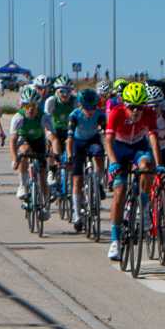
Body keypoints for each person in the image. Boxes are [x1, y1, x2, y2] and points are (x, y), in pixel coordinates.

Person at [104, 81, 163, 261]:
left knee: (146, 167)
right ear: (125, 104)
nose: (136, 111)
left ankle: (144, 203)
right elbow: (108, 141)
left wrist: (158, 164)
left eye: (140, 107)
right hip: (120, 148)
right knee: (119, 191)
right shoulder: (116, 113)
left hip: (138, 147)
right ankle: (115, 240)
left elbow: (153, 140)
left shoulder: (149, 114)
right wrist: (113, 163)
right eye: (132, 107)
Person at [65, 88, 105, 231]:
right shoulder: (74, 116)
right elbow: (69, 139)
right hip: (78, 143)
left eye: (93, 107)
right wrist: (70, 156)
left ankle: (98, 182)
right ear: (81, 106)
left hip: (93, 140)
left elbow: (106, 135)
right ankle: (77, 215)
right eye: (87, 108)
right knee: (77, 180)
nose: (90, 111)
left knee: (100, 154)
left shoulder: (100, 114)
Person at [7, 87, 51, 214]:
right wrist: (15, 159)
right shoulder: (18, 117)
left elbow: (52, 135)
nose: (30, 109)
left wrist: (53, 153)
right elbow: (13, 141)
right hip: (24, 139)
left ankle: (45, 205)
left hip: (38, 141)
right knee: (25, 152)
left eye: (33, 105)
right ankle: (23, 184)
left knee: (43, 178)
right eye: (27, 105)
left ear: (38, 105)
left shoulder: (44, 116)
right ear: (23, 105)